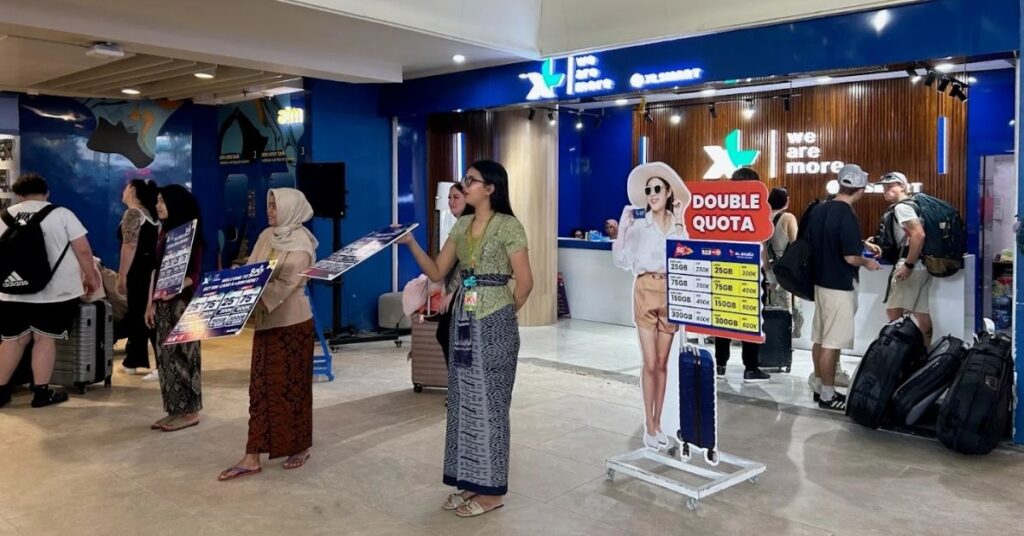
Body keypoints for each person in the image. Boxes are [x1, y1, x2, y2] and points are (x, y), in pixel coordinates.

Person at [398, 159, 533, 518]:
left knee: (491, 406)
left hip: (494, 321)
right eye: (464, 179)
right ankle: (471, 481)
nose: (464, 185)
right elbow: (437, 271)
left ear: (490, 188)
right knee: (463, 402)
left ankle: (492, 492)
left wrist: (504, 314)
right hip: (463, 320)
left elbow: (525, 283)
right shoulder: (461, 226)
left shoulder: (509, 226)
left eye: (471, 180)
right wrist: (409, 243)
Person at [218, 189, 317, 481]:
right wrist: (237, 279)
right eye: (268, 205)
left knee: (292, 389)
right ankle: (252, 455)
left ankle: (299, 446)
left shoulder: (302, 246)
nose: (270, 211)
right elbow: (253, 268)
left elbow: (284, 285)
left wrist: (245, 290)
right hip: (265, 324)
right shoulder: (266, 236)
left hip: (292, 326)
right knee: (260, 389)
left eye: (275, 206)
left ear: (290, 208)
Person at [0, 174, 100, 408]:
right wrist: (91, 278)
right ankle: (41, 393)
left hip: (12, 291)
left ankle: (1, 392)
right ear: (47, 193)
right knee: (44, 339)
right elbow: (83, 251)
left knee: (12, 340)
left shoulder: (4, 216)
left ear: (19, 195)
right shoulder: (62, 214)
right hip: (56, 292)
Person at [613, 162, 688, 448]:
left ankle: (658, 422)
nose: (652, 194)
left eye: (657, 188)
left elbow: (683, 254)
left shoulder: (676, 223)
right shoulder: (639, 225)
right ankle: (650, 424)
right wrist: (623, 229)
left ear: (668, 192)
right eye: (648, 190)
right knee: (650, 361)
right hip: (645, 287)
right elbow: (621, 260)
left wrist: (679, 220)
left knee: (662, 362)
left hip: (671, 290)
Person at [805, 164, 881, 411]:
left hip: (820, 282)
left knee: (820, 337)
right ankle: (828, 395)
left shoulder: (820, 209)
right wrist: (867, 262)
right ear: (860, 189)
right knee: (832, 341)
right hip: (839, 286)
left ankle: (819, 384)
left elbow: (825, 239)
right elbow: (850, 257)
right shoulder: (847, 214)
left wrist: (861, 244)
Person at [145, 185, 204, 431]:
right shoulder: (163, 233)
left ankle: (191, 412)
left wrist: (175, 287)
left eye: (162, 201)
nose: (157, 206)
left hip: (183, 304)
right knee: (166, 358)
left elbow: (195, 275)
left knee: (186, 357)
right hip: (163, 304)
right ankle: (174, 409)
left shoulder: (192, 236)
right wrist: (151, 303)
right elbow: (156, 270)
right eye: (157, 201)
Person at [714, 168, 772, 383]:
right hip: (750, 271)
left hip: (723, 268)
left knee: (723, 317)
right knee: (751, 319)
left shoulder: (720, 207)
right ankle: (751, 367)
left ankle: (720, 365)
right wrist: (768, 272)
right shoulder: (757, 209)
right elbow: (761, 245)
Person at [867, 172, 933, 347]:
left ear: (902, 186)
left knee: (894, 313)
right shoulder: (914, 205)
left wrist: (908, 265)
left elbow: (918, 235)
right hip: (922, 266)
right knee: (921, 313)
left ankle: (899, 353)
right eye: (884, 186)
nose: (885, 190)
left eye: (890, 186)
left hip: (910, 265)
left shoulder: (901, 208)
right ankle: (924, 352)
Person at [117, 179, 160, 380]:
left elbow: (129, 245)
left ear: (132, 190)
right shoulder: (151, 215)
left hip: (138, 271)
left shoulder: (133, 214)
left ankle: (161, 364)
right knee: (139, 316)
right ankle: (133, 360)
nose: (123, 191)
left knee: (145, 317)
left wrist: (122, 275)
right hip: (150, 269)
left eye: (126, 187)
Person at [437, 183, 474, 363]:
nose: (451, 201)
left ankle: (460, 377)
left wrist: (451, 292)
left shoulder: (470, 225)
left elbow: (468, 264)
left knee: (452, 334)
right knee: (450, 335)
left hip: (468, 290)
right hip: (461, 289)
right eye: (449, 198)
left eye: (456, 197)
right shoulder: (461, 225)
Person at [764, 186, 803, 336]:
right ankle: (789, 336)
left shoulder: (764, 218)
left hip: (769, 267)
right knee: (788, 307)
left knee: (773, 307)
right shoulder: (788, 218)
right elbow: (795, 244)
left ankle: (775, 337)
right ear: (786, 201)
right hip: (785, 268)